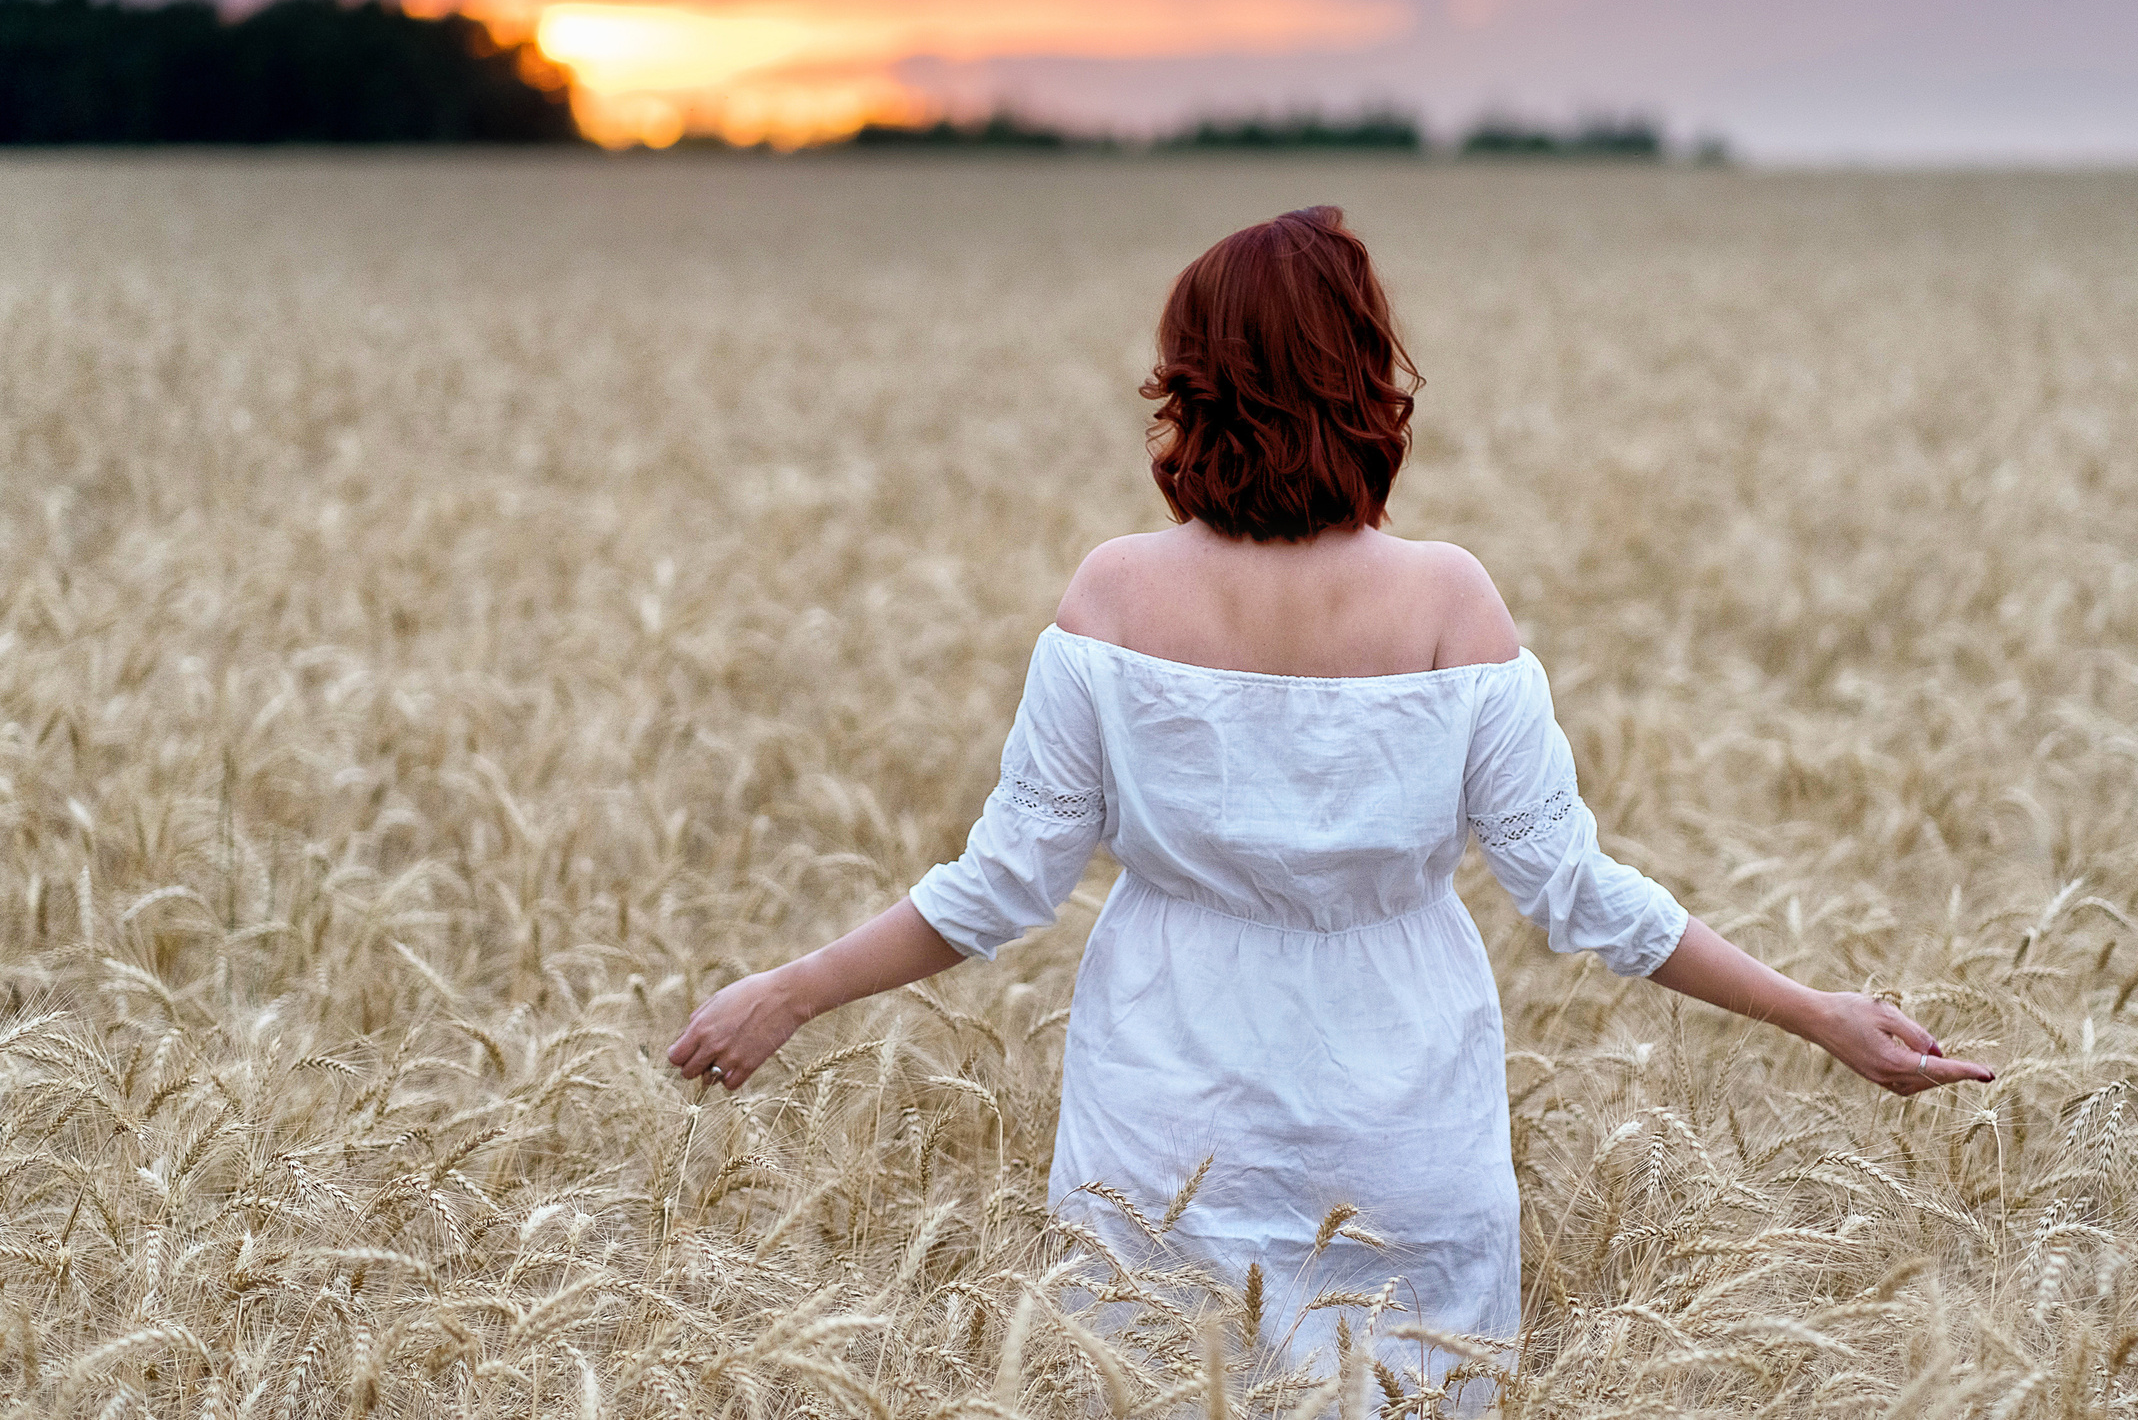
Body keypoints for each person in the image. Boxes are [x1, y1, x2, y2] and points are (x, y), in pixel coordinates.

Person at [666, 204, 1992, 1381]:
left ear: (1196, 384)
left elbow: (1000, 888)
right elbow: (1580, 896)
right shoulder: (1449, 601)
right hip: (1401, 1127)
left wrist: (791, 990)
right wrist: (1816, 1013)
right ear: (1365, 378)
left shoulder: (1114, 595)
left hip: (1166, 1126)